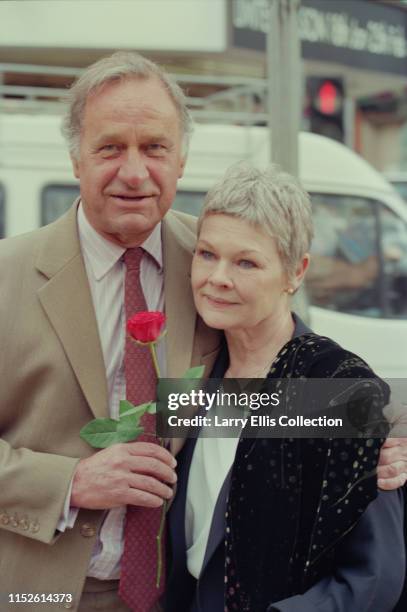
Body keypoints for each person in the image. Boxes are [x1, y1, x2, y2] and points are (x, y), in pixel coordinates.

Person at [0, 51, 221, 612]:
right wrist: (69, 483)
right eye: (109, 148)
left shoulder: (219, 263)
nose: (134, 171)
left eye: (154, 148)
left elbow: (286, 395)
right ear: (75, 158)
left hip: (182, 596)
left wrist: (376, 434)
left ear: (182, 159)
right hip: (32, 593)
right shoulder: (7, 276)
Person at [165, 163, 405, 612]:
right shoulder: (195, 370)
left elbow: (375, 576)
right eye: (206, 254)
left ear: (296, 272)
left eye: (246, 262)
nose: (217, 277)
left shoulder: (338, 388)